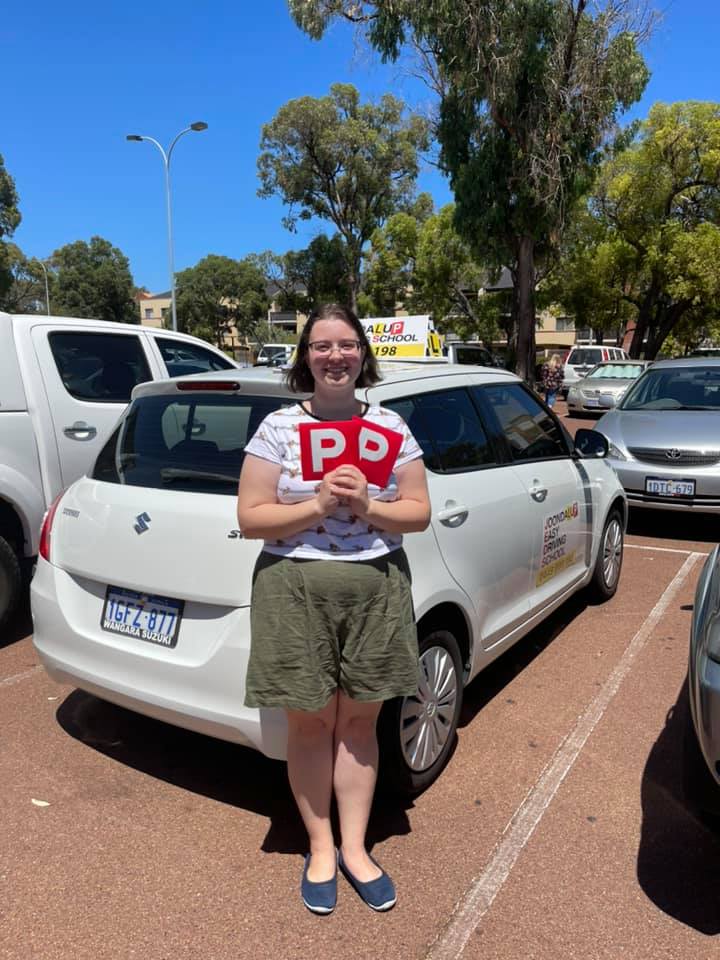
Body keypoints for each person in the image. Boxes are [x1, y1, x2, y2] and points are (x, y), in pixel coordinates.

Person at [236, 303, 431, 915]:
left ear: (362, 354)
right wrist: (318, 506)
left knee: (359, 724)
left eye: (346, 344)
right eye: (321, 346)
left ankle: (355, 848)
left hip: (376, 587)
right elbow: (250, 518)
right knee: (310, 724)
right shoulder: (278, 427)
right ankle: (320, 848)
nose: (335, 356)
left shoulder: (392, 426)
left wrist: (369, 506)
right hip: (293, 589)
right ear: (306, 358)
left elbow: (419, 512)